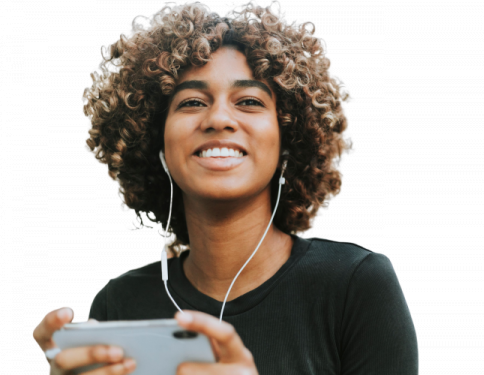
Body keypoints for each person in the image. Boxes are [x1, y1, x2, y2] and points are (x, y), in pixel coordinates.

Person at [33, 2, 418, 374]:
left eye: (249, 101)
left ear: (288, 138)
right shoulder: (119, 304)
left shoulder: (356, 286)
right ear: (156, 141)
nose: (218, 118)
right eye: (192, 102)